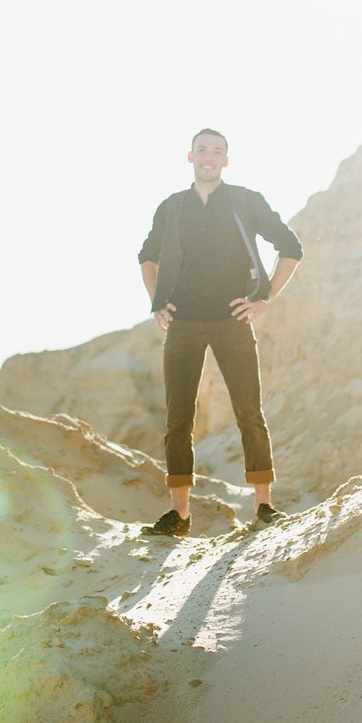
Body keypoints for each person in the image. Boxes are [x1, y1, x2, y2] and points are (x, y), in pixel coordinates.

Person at [137, 128, 303, 537]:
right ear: (190, 157)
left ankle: (264, 506)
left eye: (217, 152)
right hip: (184, 324)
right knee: (178, 419)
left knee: (249, 411)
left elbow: (291, 246)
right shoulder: (173, 207)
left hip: (233, 320)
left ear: (226, 160)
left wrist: (266, 299)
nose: (209, 157)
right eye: (202, 150)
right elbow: (147, 256)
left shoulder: (246, 201)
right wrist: (158, 302)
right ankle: (179, 515)